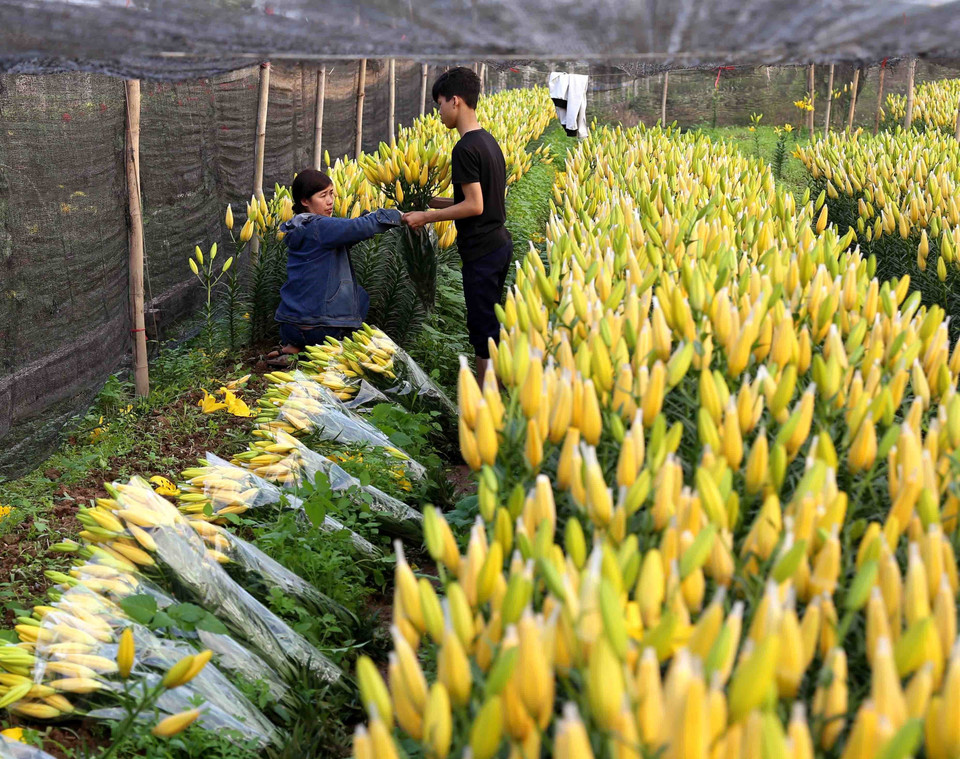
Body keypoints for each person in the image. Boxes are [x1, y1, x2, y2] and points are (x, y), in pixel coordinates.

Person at [402, 67, 512, 386]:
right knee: (491, 323)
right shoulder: (487, 141)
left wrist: (425, 218)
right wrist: (428, 202)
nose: (438, 113)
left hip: (482, 251)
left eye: (439, 104)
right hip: (498, 244)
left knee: (482, 330)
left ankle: (484, 405)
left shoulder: (463, 148)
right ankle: (497, 392)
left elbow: (474, 205)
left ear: (456, 101)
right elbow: (479, 200)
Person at [264, 169, 402, 367]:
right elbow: (357, 228)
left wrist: (364, 218)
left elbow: (345, 236)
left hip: (289, 326)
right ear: (305, 201)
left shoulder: (297, 227)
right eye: (323, 196)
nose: (330, 201)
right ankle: (332, 351)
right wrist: (397, 215)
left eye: (332, 194)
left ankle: (294, 347)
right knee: (359, 296)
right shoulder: (320, 225)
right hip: (322, 329)